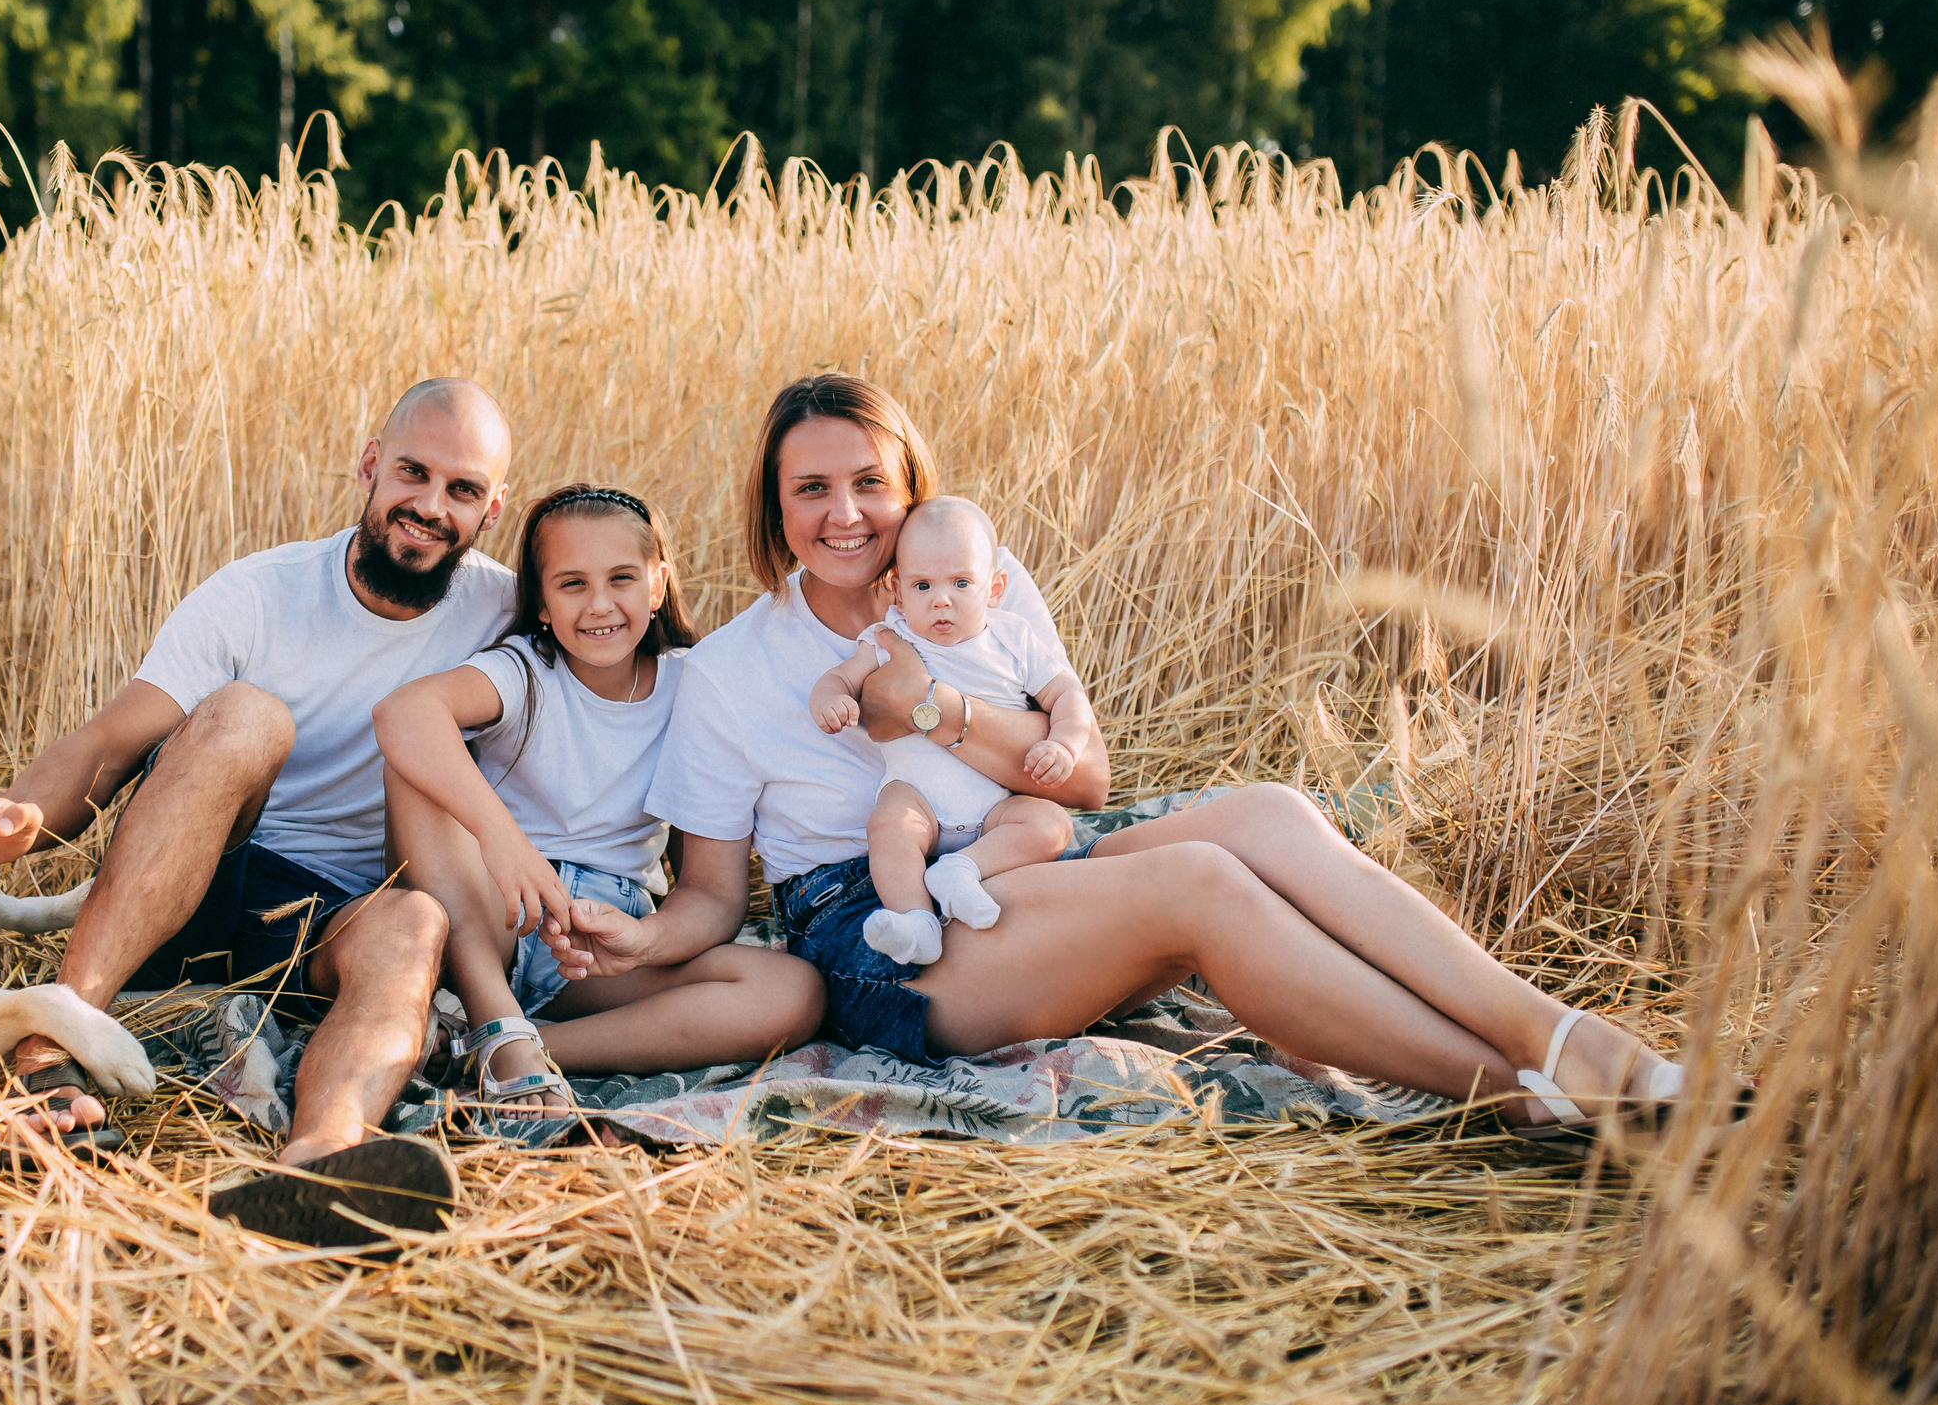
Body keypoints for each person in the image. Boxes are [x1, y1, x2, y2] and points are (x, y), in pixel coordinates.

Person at [546, 372, 1685, 1140]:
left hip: (1019, 858)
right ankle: (1508, 1088)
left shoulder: (976, 586)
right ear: (775, 507)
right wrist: (642, 939)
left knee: (1270, 811)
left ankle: (1557, 1036)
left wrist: (932, 706)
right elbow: (713, 894)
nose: (845, 515)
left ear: (911, 491)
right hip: (881, 935)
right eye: (811, 490)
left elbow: (1083, 782)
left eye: (869, 484)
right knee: (1197, 884)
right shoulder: (732, 669)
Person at [0, 378, 516, 1243]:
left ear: (492, 509)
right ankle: (50, 1054)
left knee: (417, 920)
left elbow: (632, 656)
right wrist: (11, 818)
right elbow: (113, 738)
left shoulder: (507, 610)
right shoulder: (259, 593)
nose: (431, 506)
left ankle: (321, 1166)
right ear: (370, 463)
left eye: (463, 489)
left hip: (332, 928)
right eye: (413, 472)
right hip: (196, 883)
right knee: (249, 715)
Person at [373, 484, 822, 1123]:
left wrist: (643, 940)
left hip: (595, 947)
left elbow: (712, 893)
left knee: (791, 992)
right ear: (542, 603)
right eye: (572, 584)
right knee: (413, 761)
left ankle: (514, 1047)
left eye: (621, 578)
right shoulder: (525, 671)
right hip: (493, 911)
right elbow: (403, 712)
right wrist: (505, 841)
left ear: (657, 585)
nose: (600, 604)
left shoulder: (696, 686)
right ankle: (494, 1015)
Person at [808, 495, 1092, 967]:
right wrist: (830, 699)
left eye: (961, 583)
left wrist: (1064, 742)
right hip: (918, 798)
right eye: (922, 585)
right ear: (898, 593)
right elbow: (840, 677)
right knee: (889, 826)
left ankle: (962, 870)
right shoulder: (890, 637)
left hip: (995, 808)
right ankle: (916, 921)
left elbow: (1068, 694)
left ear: (994, 588)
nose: (941, 599)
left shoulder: (1013, 639)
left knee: (1050, 824)